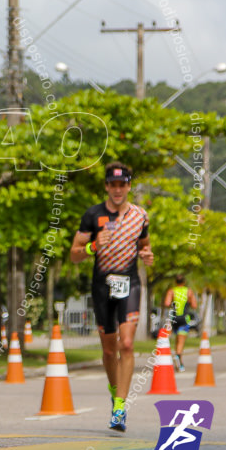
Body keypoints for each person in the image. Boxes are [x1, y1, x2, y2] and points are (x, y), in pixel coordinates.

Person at [70, 162, 153, 433]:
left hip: (129, 283)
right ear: (107, 186)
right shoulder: (93, 215)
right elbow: (74, 254)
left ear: (129, 186)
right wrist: (93, 246)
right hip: (103, 286)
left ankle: (120, 407)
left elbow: (144, 245)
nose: (117, 190)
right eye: (112, 185)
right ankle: (114, 389)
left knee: (127, 343)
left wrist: (147, 255)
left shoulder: (140, 216)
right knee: (109, 349)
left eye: (122, 184)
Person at [163, 275, 197, 371]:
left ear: (175, 282)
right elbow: (194, 305)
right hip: (184, 319)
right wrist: (189, 300)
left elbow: (166, 303)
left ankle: (175, 359)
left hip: (174, 318)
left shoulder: (172, 291)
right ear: (184, 282)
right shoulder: (189, 291)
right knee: (180, 341)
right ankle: (179, 358)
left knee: (173, 340)